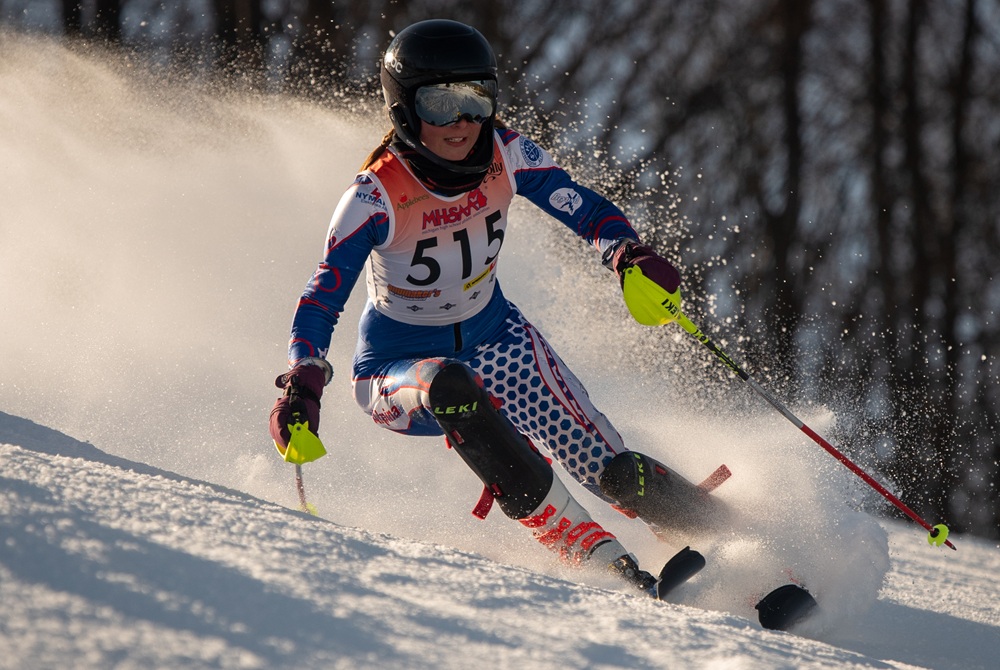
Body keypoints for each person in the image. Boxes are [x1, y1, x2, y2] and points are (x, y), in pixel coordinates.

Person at [269, 19, 692, 593]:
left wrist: (625, 253)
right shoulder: (373, 196)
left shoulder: (505, 152)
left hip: (502, 341)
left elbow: (581, 206)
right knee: (449, 387)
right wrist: (303, 380)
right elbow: (322, 298)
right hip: (396, 369)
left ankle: (739, 544)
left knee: (615, 472)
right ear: (404, 109)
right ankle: (598, 557)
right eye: (441, 103)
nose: (463, 121)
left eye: (477, 99)